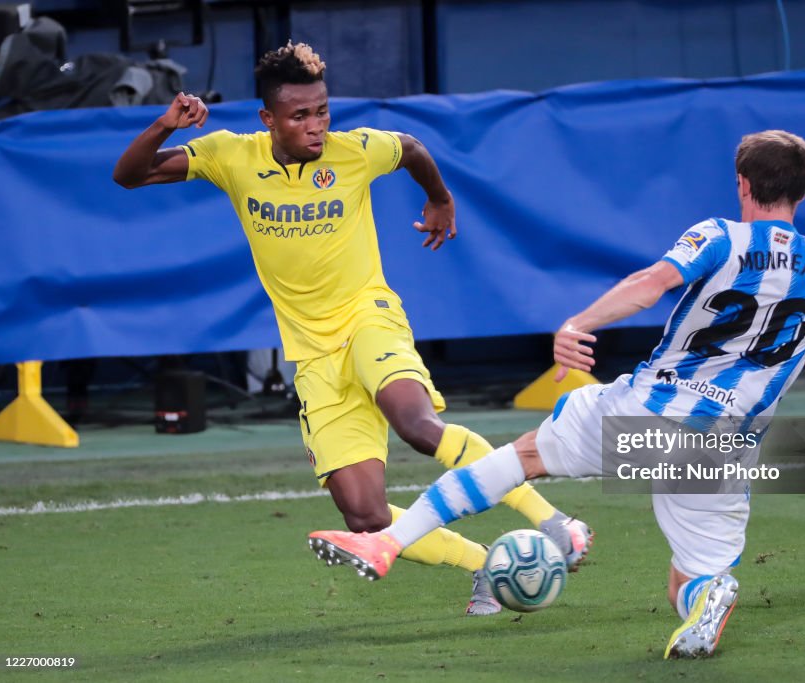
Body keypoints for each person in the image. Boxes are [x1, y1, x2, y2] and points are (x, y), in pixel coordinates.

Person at [306, 130, 805, 656]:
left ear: (744, 186)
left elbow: (652, 282)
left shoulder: (720, 237)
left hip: (651, 410)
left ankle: (387, 541)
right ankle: (707, 596)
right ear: (802, 191)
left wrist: (578, 323)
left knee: (521, 456)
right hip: (726, 447)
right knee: (688, 579)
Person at [112, 41, 592, 616]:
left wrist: (439, 199)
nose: (316, 127)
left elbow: (413, 148)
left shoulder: (355, 150)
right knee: (364, 515)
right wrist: (165, 124)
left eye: (322, 112)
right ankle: (486, 564)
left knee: (417, 425)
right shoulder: (230, 156)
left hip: (370, 318)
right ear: (268, 119)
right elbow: (129, 176)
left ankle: (555, 521)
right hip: (313, 356)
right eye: (299, 116)